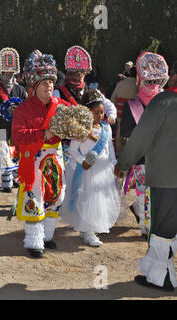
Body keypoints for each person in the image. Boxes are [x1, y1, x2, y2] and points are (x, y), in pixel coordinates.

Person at [114, 60, 176, 292]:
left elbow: (139, 139)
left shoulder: (165, 102)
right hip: (156, 170)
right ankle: (156, 273)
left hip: (164, 173)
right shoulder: (150, 103)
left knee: (162, 227)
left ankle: (162, 278)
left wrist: (123, 162)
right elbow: (132, 132)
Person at [12, 50, 70, 259]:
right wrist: (43, 133)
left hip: (55, 157)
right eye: (45, 83)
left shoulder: (61, 106)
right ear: (34, 86)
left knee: (56, 194)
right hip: (34, 158)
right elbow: (18, 136)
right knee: (34, 195)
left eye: (51, 83)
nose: (50, 87)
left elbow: (76, 119)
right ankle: (34, 241)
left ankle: (47, 235)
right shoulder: (23, 110)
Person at [60, 89, 120, 247]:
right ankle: (87, 231)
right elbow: (72, 150)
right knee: (87, 200)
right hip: (86, 172)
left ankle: (92, 227)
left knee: (100, 201)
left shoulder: (106, 128)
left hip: (103, 171)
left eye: (102, 113)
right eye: (96, 113)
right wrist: (82, 161)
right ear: (87, 113)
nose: (100, 116)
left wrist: (114, 164)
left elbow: (110, 149)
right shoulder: (80, 130)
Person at [120, 52, 169, 239]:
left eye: (156, 81)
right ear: (140, 81)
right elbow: (125, 131)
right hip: (142, 157)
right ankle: (145, 224)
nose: (152, 85)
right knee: (143, 191)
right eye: (149, 81)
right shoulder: (132, 105)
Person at [0, 48, 27, 193]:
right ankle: (6, 183)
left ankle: (15, 178)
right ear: (0, 74)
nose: (8, 77)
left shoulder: (20, 90)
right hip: (1, 128)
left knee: (16, 154)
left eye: (10, 74)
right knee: (3, 154)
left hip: (16, 128)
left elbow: (27, 107)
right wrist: (2, 112)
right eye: (5, 73)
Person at [110, 66, 139, 155]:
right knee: (133, 133)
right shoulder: (138, 86)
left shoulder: (121, 84)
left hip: (120, 112)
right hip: (133, 113)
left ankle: (119, 152)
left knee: (119, 133)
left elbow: (113, 99)